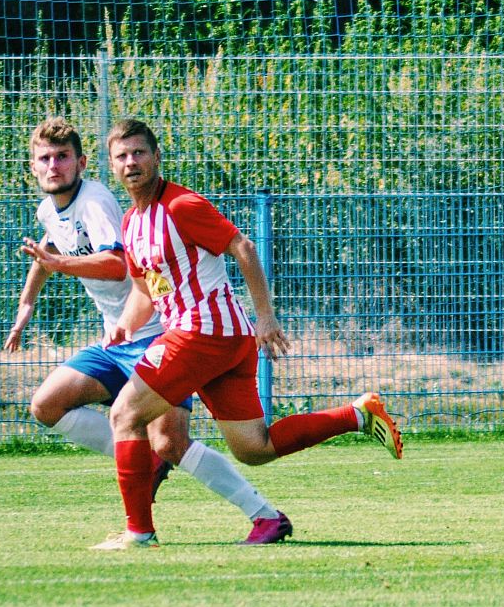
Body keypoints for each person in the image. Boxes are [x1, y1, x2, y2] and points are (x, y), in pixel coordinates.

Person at [94, 118, 403, 550]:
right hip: (221, 338)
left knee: (125, 415)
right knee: (253, 447)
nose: (131, 162)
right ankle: (357, 415)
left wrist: (266, 317)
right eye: (122, 156)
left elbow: (243, 247)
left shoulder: (181, 206)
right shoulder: (131, 222)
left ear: (157, 157)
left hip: (203, 332)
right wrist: (125, 325)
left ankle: (139, 533)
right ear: (112, 166)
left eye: (139, 152)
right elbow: (147, 290)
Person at [4, 116, 283, 538]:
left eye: (62, 157)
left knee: (171, 442)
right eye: (44, 159)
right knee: (47, 404)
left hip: (156, 333)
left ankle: (256, 514)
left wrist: (60, 266)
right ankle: (142, 463)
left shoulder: (95, 202)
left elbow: (118, 266)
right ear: (32, 167)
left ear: (82, 163)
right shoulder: (51, 209)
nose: (53, 166)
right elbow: (50, 246)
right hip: (119, 334)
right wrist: (27, 303)